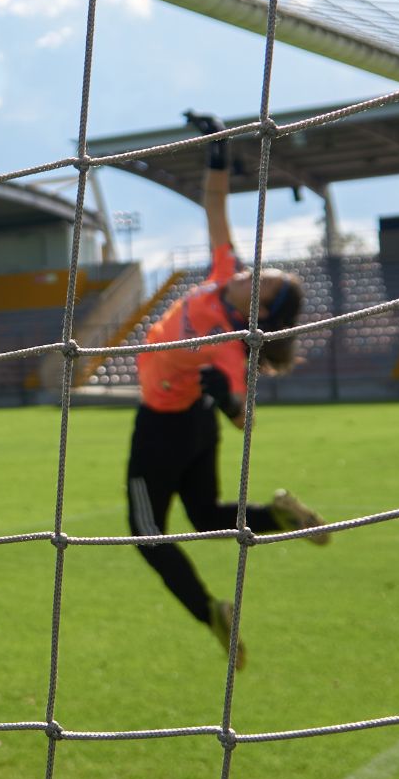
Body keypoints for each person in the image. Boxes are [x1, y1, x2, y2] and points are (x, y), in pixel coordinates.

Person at [127, 112, 330, 669]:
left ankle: (210, 611)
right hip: (191, 426)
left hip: (166, 426)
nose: (250, 271)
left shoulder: (231, 343)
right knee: (207, 516)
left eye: (260, 280)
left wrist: (229, 400)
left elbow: (243, 415)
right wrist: (218, 149)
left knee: (145, 533)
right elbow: (215, 208)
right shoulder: (221, 274)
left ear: (259, 309)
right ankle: (281, 518)